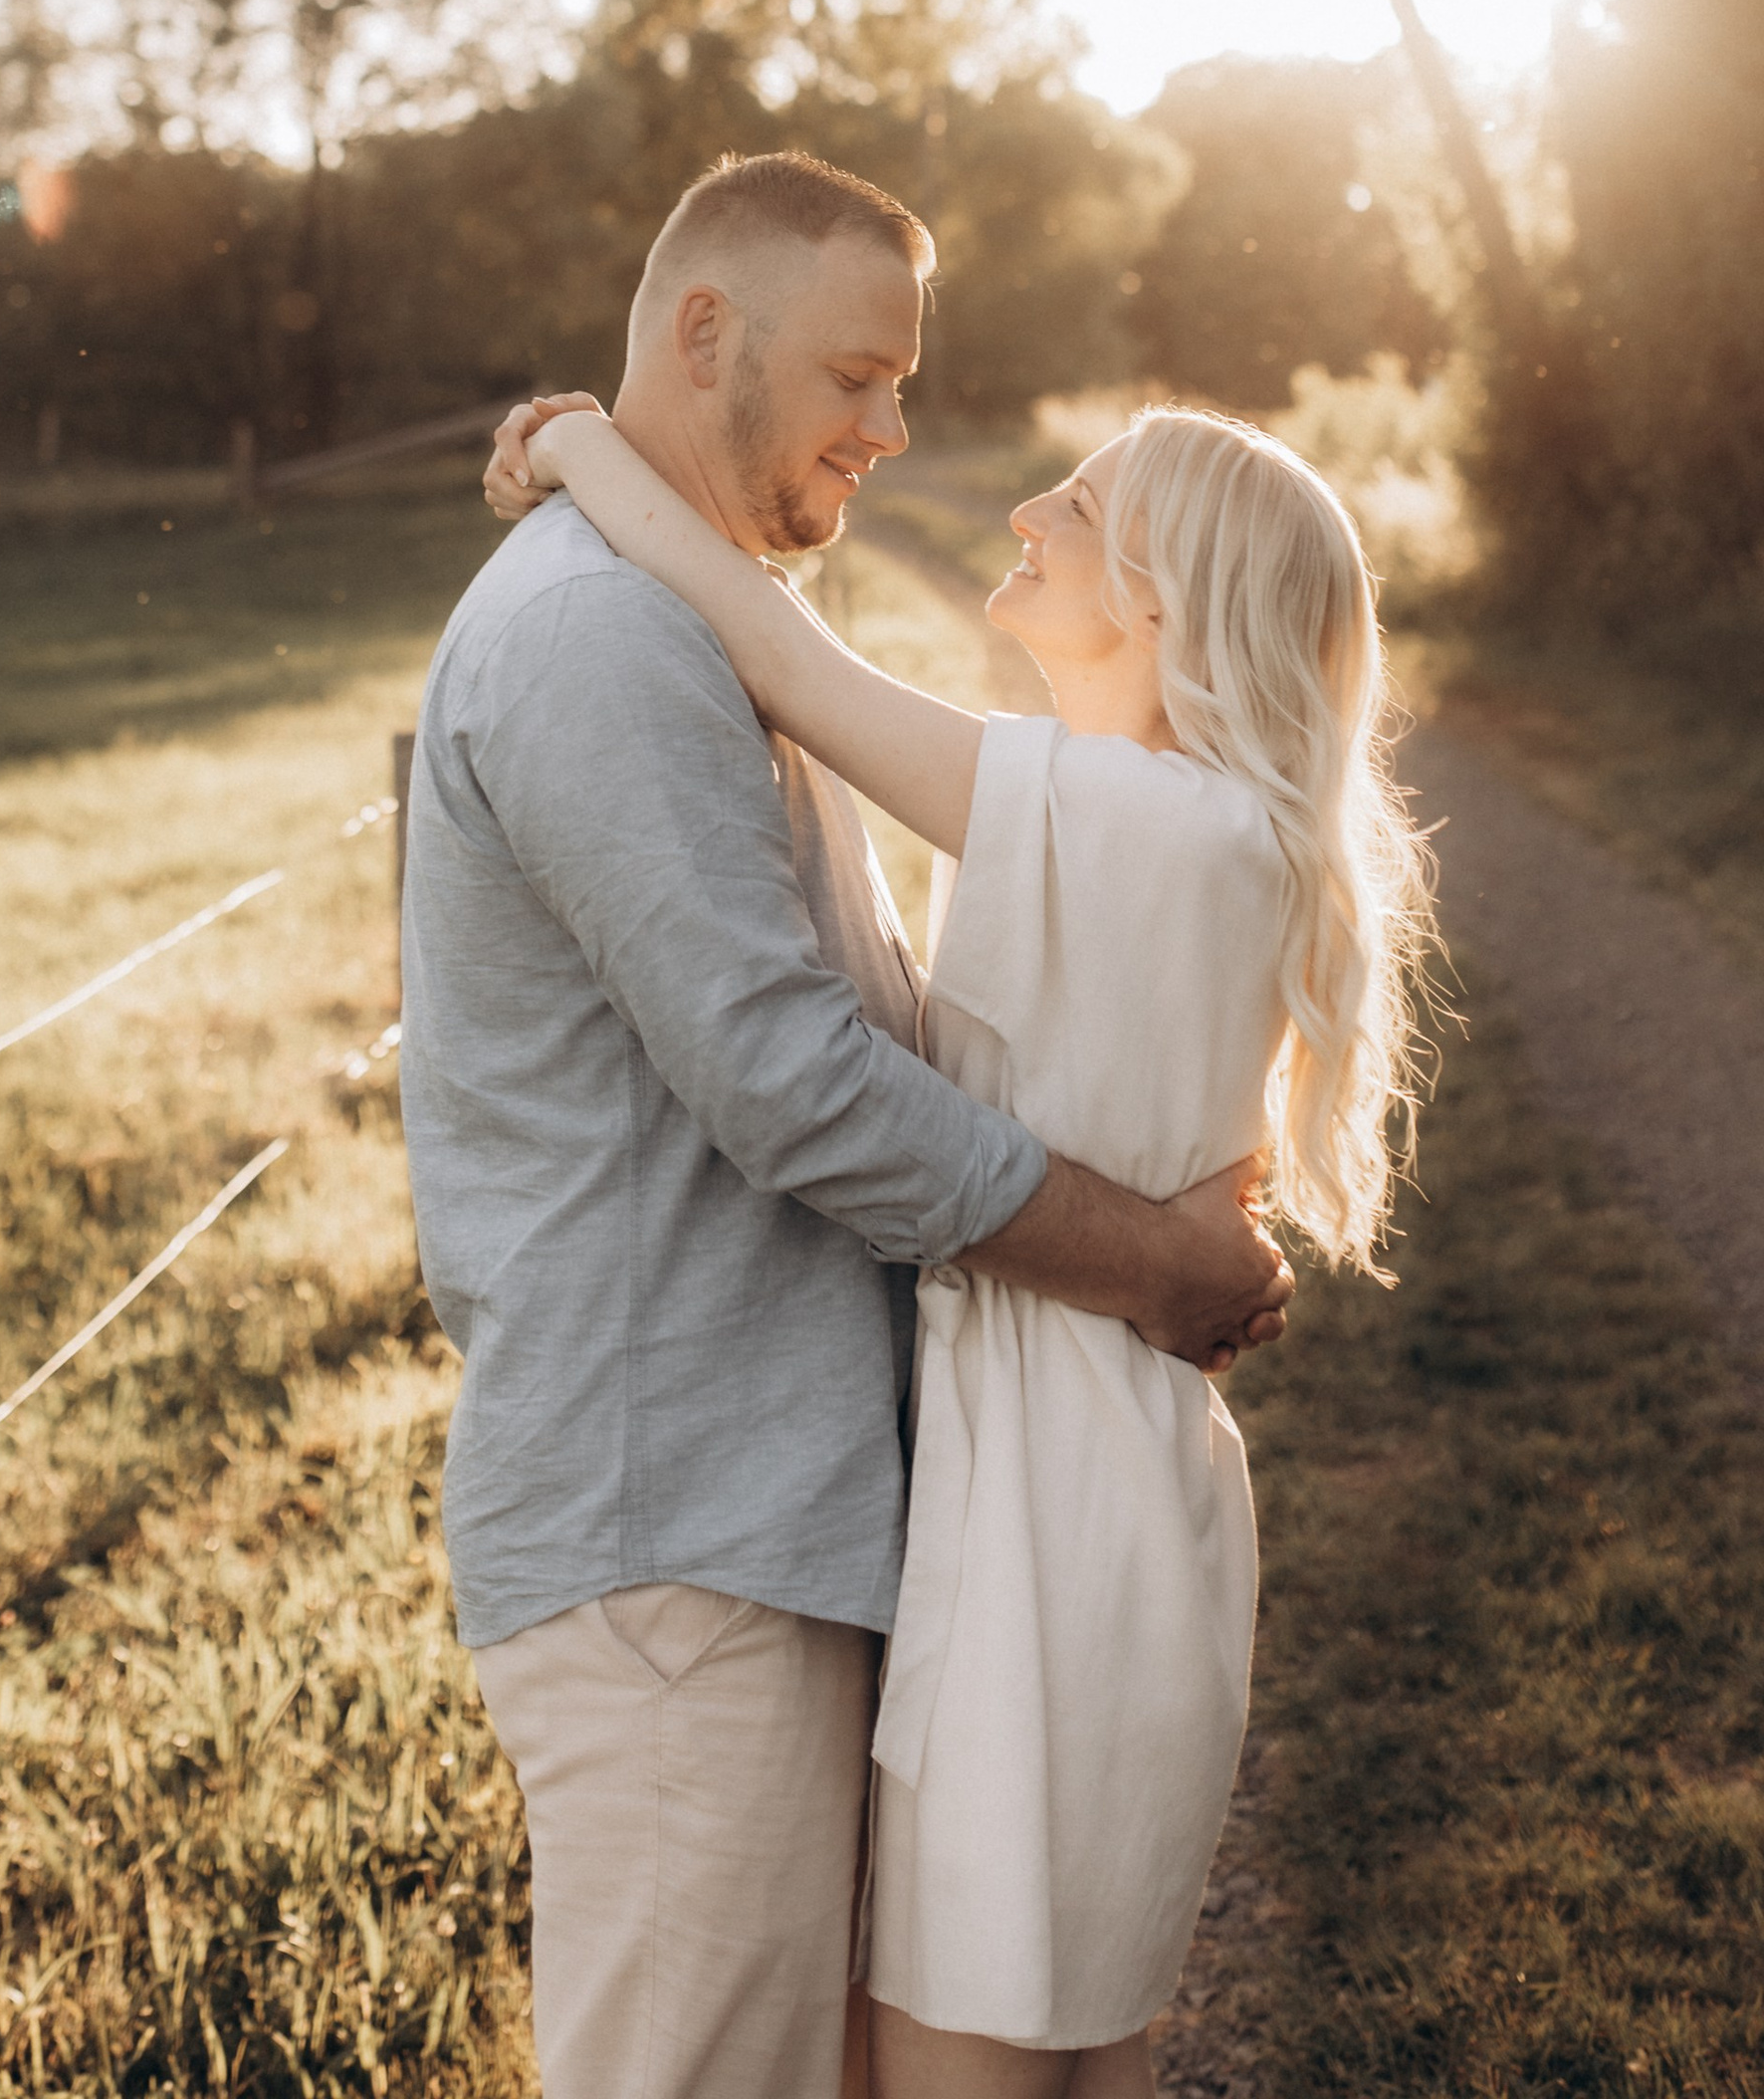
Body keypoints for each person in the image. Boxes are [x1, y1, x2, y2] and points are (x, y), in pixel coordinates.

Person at [399, 151, 1292, 2099]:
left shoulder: (685, 628)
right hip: (674, 1538)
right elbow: (795, 1085)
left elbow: (875, 1031)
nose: (889, 430)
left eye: (899, 385)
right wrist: (1156, 1258)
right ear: (701, 333)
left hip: (763, 1515)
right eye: (854, 378)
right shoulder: (600, 643)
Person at [504, 376, 1430, 2099]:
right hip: (1107, 1494)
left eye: (1071, 503)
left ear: (1155, 589)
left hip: (1048, 1517)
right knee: (1078, 2042)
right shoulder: (1192, 827)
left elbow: (780, 658)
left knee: (960, 2050)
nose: (1022, 516)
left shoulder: (1141, 822)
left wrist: (575, 451)